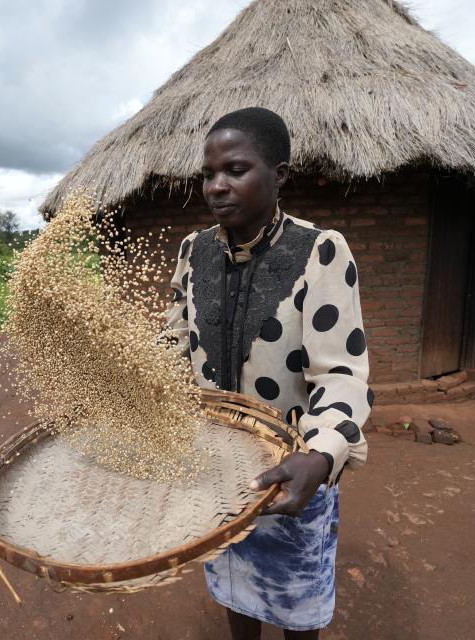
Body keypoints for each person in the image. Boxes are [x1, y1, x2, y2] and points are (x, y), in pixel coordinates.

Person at [165, 107, 371, 640]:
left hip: (292, 470)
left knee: (294, 600)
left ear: (279, 175)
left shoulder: (319, 251)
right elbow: (172, 344)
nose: (217, 186)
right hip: (213, 462)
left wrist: (321, 455)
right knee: (235, 581)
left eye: (236, 170)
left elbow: (344, 371)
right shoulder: (194, 252)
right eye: (209, 175)